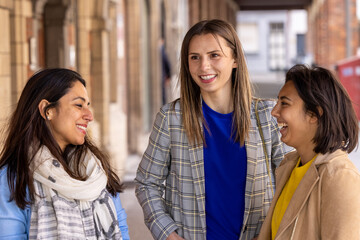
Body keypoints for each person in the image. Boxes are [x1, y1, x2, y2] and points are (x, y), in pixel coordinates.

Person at [135, 19, 291, 240]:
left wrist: (269, 234)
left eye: (214, 55)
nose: (204, 66)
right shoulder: (171, 119)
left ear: (235, 58)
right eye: (195, 57)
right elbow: (146, 183)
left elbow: (290, 185)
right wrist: (168, 234)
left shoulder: (267, 116)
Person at [0, 68, 130, 239]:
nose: (89, 115)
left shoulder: (96, 172)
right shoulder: (13, 179)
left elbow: (121, 230)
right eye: (78, 105)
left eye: (88, 106)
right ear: (47, 110)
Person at [257, 64, 360, 240]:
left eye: (284, 103)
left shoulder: (340, 176)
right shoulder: (289, 166)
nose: (274, 111)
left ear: (314, 114)